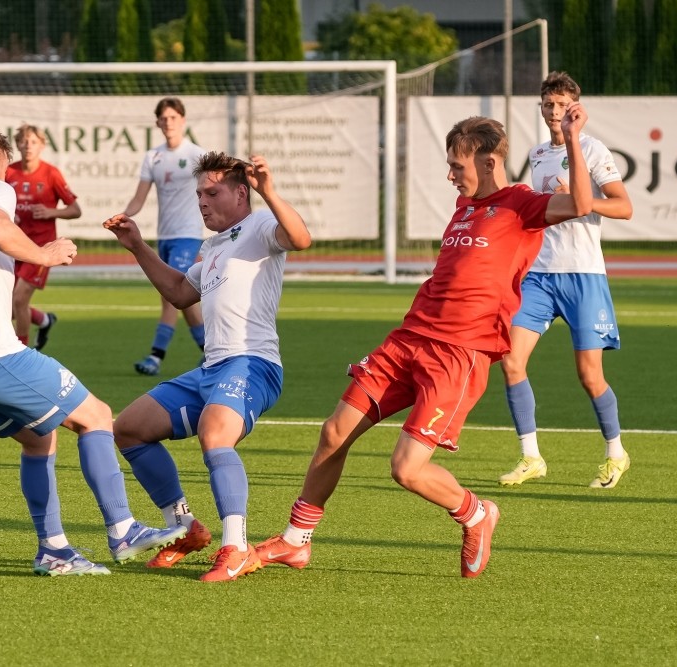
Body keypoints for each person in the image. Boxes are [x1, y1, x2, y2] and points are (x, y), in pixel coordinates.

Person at [255, 106, 595, 579]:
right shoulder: (464, 207)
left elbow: (580, 205)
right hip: (409, 338)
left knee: (407, 469)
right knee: (334, 432)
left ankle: (477, 513)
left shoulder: (522, 204)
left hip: (458, 354)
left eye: (457, 165)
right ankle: (295, 541)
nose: (450, 175)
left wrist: (572, 139)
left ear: (489, 162)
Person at [0, 125, 184, 577]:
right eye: (5, 165)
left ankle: (54, 550)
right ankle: (124, 530)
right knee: (97, 416)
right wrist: (45, 254)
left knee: (39, 439)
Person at [103, 151, 312, 582]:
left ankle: (235, 547)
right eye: (199, 193)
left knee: (215, 434)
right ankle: (184, 527)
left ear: (241, 194)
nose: (202, 201)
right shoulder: (213, 245)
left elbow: (300, 238)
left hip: (253, 363)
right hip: (211, 369)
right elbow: (180, 292)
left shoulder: (259, 225)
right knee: (129, 429)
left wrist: (269, 191)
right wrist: (137, 245)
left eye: (212, 193)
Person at [499, 72, 633, 489]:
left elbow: (624, 207)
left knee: (589, 375)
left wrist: (581, 200)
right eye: (548, 104)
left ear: (575, 107)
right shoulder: (538, 154)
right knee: (510, 360)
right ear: (540, 108)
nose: (554, 111)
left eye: (561, 104)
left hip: (583, 275)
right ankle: (531, 456)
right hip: (539, 275)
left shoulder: (592, 149)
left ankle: (616, 454)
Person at [122, 97, 207, 376]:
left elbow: (215, 187)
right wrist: (124, 216)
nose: (168, 122)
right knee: (181, 298)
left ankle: (156, 356)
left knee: (172, 295)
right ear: (158, 122)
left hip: (188, 234)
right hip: (166, 237)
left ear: (183, 120)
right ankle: (212, 351)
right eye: (164, 118)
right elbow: (139, 198)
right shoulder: (153, 157)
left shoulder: (196, 155)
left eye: (173, 117)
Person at [6, 123, 82, 351]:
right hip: (14, 245)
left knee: (19, 299)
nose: (28, 145)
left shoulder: (51, 173)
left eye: (33, 142)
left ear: (42, 146)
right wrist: (8, 216)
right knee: (7, 305)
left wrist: (51, 212)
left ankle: (20, 352)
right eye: (24, 141)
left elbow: (75, 210)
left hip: (41, 249)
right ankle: (44, 320)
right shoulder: (8, 172)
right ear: (18, 144)